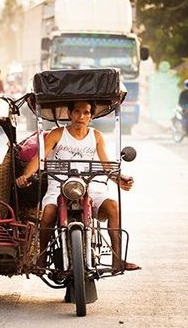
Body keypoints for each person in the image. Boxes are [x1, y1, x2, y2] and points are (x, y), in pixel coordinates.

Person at [15, 100, 140, 272]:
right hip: (59, 186)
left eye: (86, 112)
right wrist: (25, 176)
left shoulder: (96, 136)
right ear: (70, 113)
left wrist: (120, 178)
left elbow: (106, 166)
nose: (81, 116)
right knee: (49, 213)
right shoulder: (57, 134)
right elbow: (39, 159)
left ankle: (117, 260)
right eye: (77, 111)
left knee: (113, 206)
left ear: (91, 116)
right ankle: (41, 260)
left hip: (90, 186)